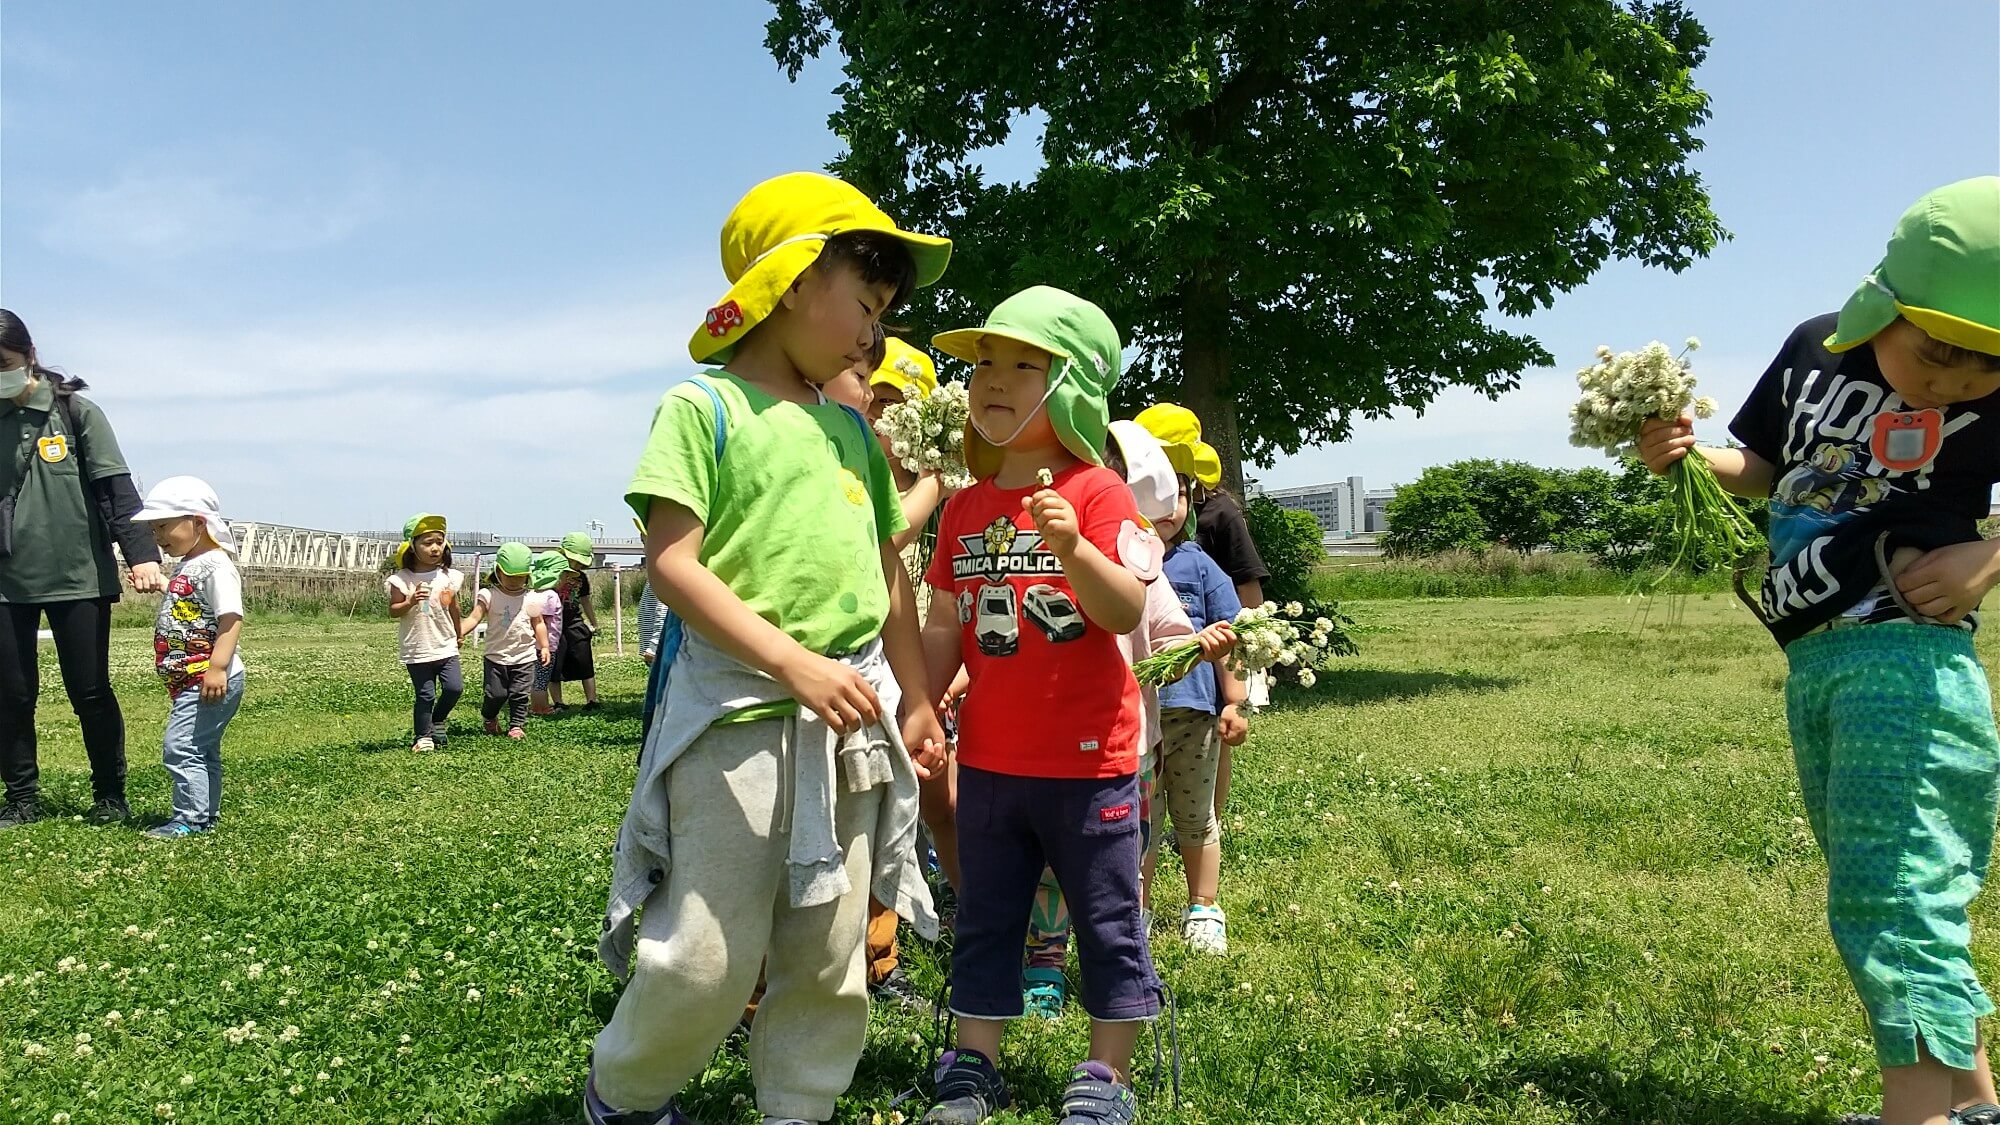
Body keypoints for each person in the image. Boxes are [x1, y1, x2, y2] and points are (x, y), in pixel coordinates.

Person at [588, 170, 949, 1125]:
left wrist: (912, 698)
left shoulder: (852, 434)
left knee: (831, 955)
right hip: (738, 716)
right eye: (865, 306)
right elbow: (671, 563)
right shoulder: (700, 410)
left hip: (850, 719)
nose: (874, 334)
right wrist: (791, 661)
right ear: (792, 283)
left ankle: (800, 1105)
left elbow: (885, 574)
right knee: (707, 950)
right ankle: (624, 1093)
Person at [1638, 176, 2000, 1125]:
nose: (1954, 381)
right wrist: (1685, 453)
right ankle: (1972, 1105)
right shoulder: (1812, 345)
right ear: (1884, 301)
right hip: (1819, 657)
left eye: (1981, 372)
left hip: (1910, 658)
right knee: (1889, 878)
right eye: (1936, 354)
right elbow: (1764, 469)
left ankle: (1915, 1117)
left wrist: (1985, 559)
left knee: (1894, 893)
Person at [919, 286, 1158, 1124]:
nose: (994, 377)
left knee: (1105, 916)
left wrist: (1070, 547)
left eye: (1025, 364)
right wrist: (920, 702)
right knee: (986, 913)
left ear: (1075, 390)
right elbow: (946, 615)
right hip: (990, 757)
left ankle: (1106, 1073)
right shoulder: (962, 508)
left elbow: (1125, 610)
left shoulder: (1099, 493)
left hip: (1091, 761)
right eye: (984, 360)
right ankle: (975, 1061)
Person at [0, 309, 165, 828]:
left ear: (28, 356)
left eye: (2, 363)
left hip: (79, 575)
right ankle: (22, 799)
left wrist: (142, 555)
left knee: (89, 689)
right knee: (11, 692)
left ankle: (110, 795)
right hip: (6, 581)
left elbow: (116, 490)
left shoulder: (75, 412)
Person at [1134, 403, 1268, 820]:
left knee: (1214, 747)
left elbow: (1245, 581)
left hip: (1214, 646)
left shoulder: (1219, 511)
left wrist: (1255, 652)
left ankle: (1210, 813)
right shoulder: (1133, 532)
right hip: (1159, 668)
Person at [1151, 471, 1249, 954]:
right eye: (1158, 494)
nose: (1170, 505)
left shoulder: (1201, 565)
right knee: (1137, 824)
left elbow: (1232, 639)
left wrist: (1234, 702)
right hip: (1136, 719)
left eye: (1181, 495)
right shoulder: (1117, 562)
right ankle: (1137, 911)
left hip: (1193, 716)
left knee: (1197, 816)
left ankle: (1204, 907)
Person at [131, 477, 244, 839]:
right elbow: (194, 604)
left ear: (198, 522)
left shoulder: (216, 566)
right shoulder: (192, 563)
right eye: (154, 529)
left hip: (206, 676)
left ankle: (190, 819)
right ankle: (203, 816)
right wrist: (166, 586)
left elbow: (231, 618)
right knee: (201, 747)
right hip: (191, 677)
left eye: (163, 526)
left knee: (181, 747)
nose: (158, 537)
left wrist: (216, 668)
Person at [385, 513, 464, 752]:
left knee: (454, 688)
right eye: (427, 543)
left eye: (439, 542)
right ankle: (423, 737)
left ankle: (437, 720)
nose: (435, 548)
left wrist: (459, 634)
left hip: (445, 644)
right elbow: (393, 611)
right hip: (418, 648)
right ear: (412, 547)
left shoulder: (449, 577)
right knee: (426, 694)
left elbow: (455, 608)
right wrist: (409, 602)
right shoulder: (402, 579)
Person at [457, 543, 548, 742]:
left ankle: (517, 725)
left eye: (520, 578)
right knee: (495, 694)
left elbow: (539, 623)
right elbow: (474, 617)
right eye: (510, 577)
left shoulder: (530, 598)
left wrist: (545, 646)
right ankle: (489, 716)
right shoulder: (489, 595)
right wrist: (460, 632)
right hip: (496, 656)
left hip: (524, 656)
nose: (515, 582)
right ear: (498, 572)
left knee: (520, 694)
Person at [552, 531, 602, 710]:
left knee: (585, 659)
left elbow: (585, 600)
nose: (579, 565)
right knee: (554, 664)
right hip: (553, 624)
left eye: (582, 562)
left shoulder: (581, 578)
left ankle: (592, 700)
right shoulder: (553, 572)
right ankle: (558, 702)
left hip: (574, 622)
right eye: (576, 561)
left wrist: (594, 622)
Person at [528, 551, 569, 716]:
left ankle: (535, 706)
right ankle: (541, 708)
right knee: (541, 680)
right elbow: (540, 620)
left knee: (535, 678)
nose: (566, 580)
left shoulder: (533, 593)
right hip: (546, 645)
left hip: (533, 645)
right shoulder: (551, 596)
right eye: (564, 576)